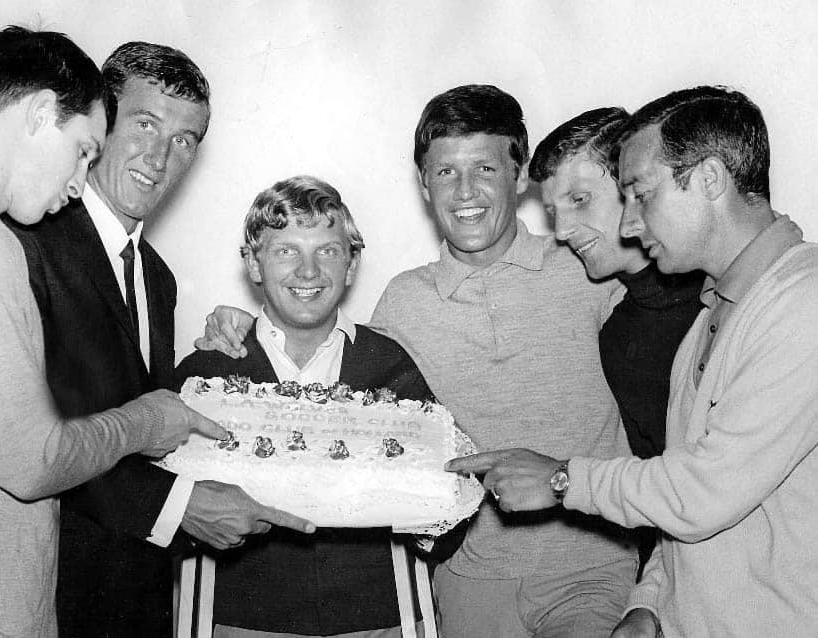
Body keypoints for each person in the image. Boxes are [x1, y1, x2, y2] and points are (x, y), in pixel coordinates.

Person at [201, 86, 637, 638]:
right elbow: (333, 376)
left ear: (520, 174)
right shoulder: (403, 301)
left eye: (483, 166)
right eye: (445, 172)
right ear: (424, 184)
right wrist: (249, 327)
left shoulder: (586, 269)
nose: (465, 190)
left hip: (591, 572)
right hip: (466, 584)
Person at [450, 86, 818, 637]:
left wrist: (561, 480)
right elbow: (676, 510)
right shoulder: (708, 320)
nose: (629, 224)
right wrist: (649, 606)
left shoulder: (802, 302)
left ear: (710, 180)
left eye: (641, 195)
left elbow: (703, 489)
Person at [0, 26, 221, 638]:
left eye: (182, 140)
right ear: (43, 112)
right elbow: (32, 457)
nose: (78, 179)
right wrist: (149, 421)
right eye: (83, 149)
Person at [4, 42, 315, 637]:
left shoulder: (156, 276)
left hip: (137, 593)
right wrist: (181, 508)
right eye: (146, 124)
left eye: (184, 139)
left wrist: (221, 357)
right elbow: (43, 438)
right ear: (101, 121)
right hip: (45, 596)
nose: (159, 155)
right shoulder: (29, 245)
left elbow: (142, 417)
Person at [175, 175, 433, 638]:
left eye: (328, 251)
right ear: (254, 264)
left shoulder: (388, 362)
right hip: (240, 616)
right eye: (286, 250)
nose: (309, 272)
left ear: (351, 266)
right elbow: (157, 502)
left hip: (374, 618)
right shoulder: (207, 369)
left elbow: (439, 498)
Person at [529, 107, 705, 572]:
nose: (562, 231)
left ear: (633, 188)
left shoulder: (719, 299)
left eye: (580, 199)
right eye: (553, 212)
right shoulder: (618, 330)